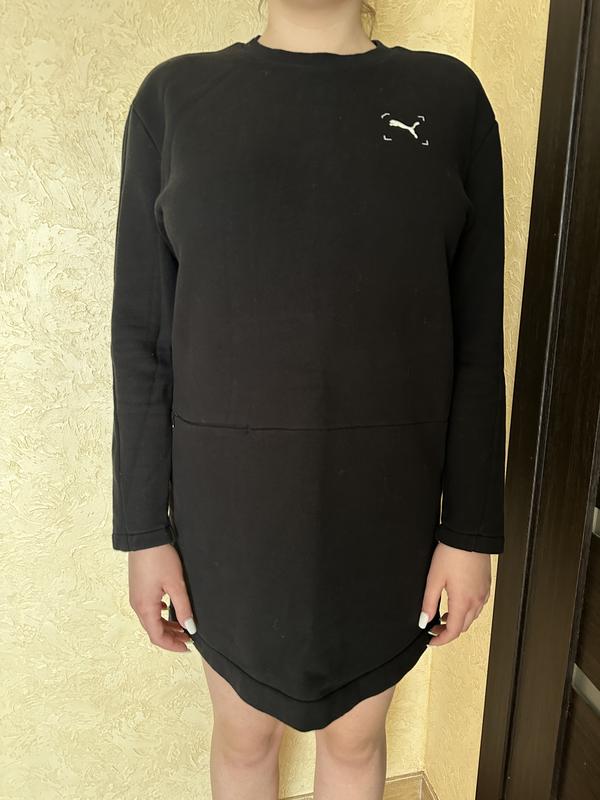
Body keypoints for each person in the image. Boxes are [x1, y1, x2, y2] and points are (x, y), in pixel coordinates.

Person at [110, 1, 506, 798]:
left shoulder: (449, 98)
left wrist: (470, 533)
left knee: (356, 742)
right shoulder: (174, 99)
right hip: (227, 516)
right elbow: (145, 343)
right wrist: (144, 531)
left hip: (389, 508)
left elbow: (475, 342)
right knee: (243, 736)